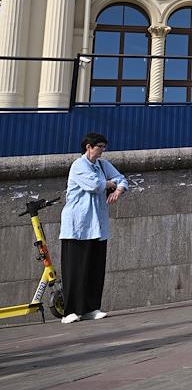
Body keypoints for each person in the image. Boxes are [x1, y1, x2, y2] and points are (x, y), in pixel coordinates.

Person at [59, 133, 128, 323]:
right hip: (78, 225)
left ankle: (91, 308)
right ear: (88, 147)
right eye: (99, 146)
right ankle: (70, 311)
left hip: (97, 225)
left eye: (104, 147)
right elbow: (94, 185)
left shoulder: (103, 165)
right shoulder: (78, 165)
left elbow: (122, 179)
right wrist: (110, 183)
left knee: (95, 268)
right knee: (76, 269)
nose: (102, 150)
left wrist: (118, 189)